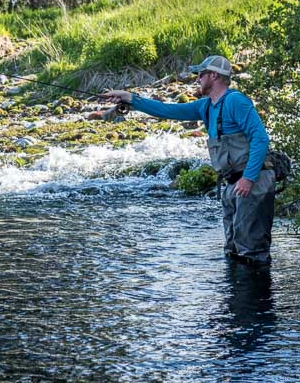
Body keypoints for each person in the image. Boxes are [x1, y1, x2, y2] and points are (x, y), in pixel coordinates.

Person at [102, 55, 275, 264]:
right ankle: (237, 297)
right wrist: (130, 98)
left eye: (201, 74)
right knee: (234, 251)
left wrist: (248, 178)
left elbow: (260, 138)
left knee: (252, 253)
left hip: (251, 182)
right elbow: (167, 110)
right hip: (233, 184)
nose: (197, 79)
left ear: (214, 76)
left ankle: (257, 296)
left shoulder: (235, 101)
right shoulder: (206, 106)